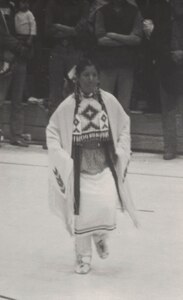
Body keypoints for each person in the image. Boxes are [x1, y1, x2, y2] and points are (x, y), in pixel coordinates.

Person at [46, 58, 138, 275]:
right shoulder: (68, 105)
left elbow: (124, 124)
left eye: (94, 75)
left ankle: (100, 236)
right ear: (77, 78)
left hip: (103, 161)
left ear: (99, 77)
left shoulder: (109, 101)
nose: (91, 79)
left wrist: (121, 150)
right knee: (81, 212)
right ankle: (83, 256)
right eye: (86, 75)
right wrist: (60, 156)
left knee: (105, 205)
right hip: (79, 166)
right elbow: (52, 130)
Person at [142, 0, 183, 160]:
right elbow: (155, 42)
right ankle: (170, 148)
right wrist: (169, 55)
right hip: (167, 66)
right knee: (168, 110)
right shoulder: (159, 12)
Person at [45, 0, 91, 118]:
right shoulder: (52, 4)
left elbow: (80, 30)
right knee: (55, 92)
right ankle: (54, 129)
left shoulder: (83, 4)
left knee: (75, 90)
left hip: (75, 51)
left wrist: (59, 27)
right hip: (56, 50)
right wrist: (70, 31)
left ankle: (74, 128)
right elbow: (48, 30)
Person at [94, 0, 143, 113]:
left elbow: (137, 39)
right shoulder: (101, 12)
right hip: (107, 63)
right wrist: (127, 40)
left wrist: (114, 35)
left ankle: (122, 130)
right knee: (103, 104)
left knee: (123, 107)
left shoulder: (134, 11)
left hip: (127, 63)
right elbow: (101, 39)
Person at [0, 1, 31, 147]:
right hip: (3, 57)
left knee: (17, 99)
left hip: (19, 57)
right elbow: (2, 34)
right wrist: (18, 46)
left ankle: (16, 134)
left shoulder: (18, 7)